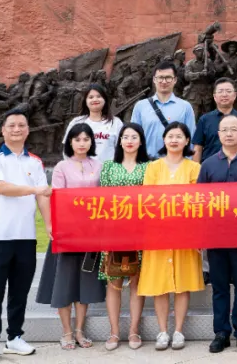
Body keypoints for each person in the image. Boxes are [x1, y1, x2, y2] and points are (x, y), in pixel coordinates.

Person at [0, 107, 49, 363]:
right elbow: (0, 187)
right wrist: (34, 189)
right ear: (3, 130)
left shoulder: (35, 162)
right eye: (12, 125)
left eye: (21, 125)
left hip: (26, 237)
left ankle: (15, 337)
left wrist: (50, 226)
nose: (17, 129)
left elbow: (43, 197)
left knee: (20, 291)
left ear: (28, 130)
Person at [136, 122, 204, 350]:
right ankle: (163, 331)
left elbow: (198, 202)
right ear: (164, 140)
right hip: (158, 234)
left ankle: (178, 331)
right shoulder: (153, 167)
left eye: (179, 136)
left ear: (187, 141)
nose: (174, 140)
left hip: (186, 234)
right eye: (170, 136)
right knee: (160, 283)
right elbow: (148, 200)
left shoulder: (194, 168)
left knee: (182, 283)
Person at [37, 122, 105, 350]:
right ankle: (66, 331)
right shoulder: (62, 167)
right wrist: (54, 226)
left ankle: (79, 330)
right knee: (64, 282)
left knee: (85, 282)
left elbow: (104, 198)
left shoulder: (99, 165)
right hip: (67, 232)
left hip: (91, 233)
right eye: (77, 139)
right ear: (70, 142)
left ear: (91, 142)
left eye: (86, 139)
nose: (82, 143)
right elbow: (57, 198)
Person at [198, 114, 237, 353]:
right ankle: (221, 332)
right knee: (220, 287)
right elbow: (200, 203)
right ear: (218, 135)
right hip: (216, 237)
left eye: (234, 129)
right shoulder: (208, 164)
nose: (230, 134)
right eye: (225, 130)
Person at [99, 123, 150, 351]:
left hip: (141, 231)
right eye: (125, 136)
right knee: (114, 281)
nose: (129, 141)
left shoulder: (149, 167)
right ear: (119, 141)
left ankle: (133, 331)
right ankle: (114, 332)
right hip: (114, 230)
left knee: (137, 281)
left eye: (134, 137)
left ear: (141, 141)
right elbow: (102, 199)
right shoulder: (109, 167)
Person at [130, 59, 196, 161]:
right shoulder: (140, 106)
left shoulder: (185, 107)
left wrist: (187, 163)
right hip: (147, 164)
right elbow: (133, 137)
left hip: (175, 164)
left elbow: (190, 139)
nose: (164, 81)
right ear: (154, 79)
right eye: (160, 77)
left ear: (175, 80)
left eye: (168, 78)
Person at [192, 77, 237, 162]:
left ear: (234, 95)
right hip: (210, 167)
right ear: (215, 96)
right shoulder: (204, 120)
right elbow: (198, 148)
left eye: (228, 91)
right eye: (220, 91)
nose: (224, 94)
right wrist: (196, 169)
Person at [63, 83, 124, 162]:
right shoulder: (76, 122)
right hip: (81, 168)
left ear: (105, 100)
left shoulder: (116, 123)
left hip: (108, 169)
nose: (95, 100)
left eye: (98, 96)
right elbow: (67, 149)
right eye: (91, 97)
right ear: (85, 101)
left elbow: (122, 149)